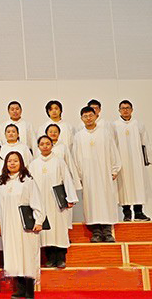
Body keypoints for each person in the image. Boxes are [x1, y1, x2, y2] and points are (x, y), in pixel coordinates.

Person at [0, 152, 44, 299]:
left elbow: (36, 200)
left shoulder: (28, 180)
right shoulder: (2, 182)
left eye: (15, 161)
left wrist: (38, 220)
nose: (12, 163)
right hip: (9, 225)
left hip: (25, 226)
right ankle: (20, 288)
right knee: (14, 256)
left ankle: (29, 290)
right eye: (9, 161)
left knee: (27, 255)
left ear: (21, 162)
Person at [73, 106, 121, 243]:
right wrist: (79, 176)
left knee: (106, 201)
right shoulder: (79, 136)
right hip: (88, 177)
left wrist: (114, 169)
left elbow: (113, 152)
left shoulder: (105, 133)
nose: (88, 118)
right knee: (91, 202)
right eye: (85, 116)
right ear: (81, 119)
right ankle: (96, 232)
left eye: (90, 115)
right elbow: (76, 158)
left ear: (96, 116)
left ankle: (107, 231)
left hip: (105, 175)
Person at [29, 136, 78, 268]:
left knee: (59, 230)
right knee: (46, 232)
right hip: (41, 202)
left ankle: (61, 258)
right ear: (38, 146)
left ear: (52, 145)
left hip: (57, 202)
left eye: (47, 144)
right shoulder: (33, 164)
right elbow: (29, 184)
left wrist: (70, 198)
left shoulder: (59, 162)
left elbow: (67, 179)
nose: (45, 146)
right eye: (42, 144)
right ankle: (50, 258)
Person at [113, 100, 151, 221]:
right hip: (122, 161)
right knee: (124, 187)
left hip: (137, 161)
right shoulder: (114, 126)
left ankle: (139, 212)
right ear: (119, 110)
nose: (125, 110)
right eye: (123, 108)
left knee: (138, 185)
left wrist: (147, 159)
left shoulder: (138, 124)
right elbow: (112, 146)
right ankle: (127, 213)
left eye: (127, 108)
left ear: (132, 109)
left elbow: (145, 143)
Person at [44, 124, 82, 191]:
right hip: (45, 177)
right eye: (50, 131)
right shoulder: (42, 148)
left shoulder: (63, 147)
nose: (53, 133)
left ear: (59, 134)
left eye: (55, 132)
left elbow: (70, 163)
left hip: (60, 178)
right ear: (46, 133)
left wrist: (76, 182)